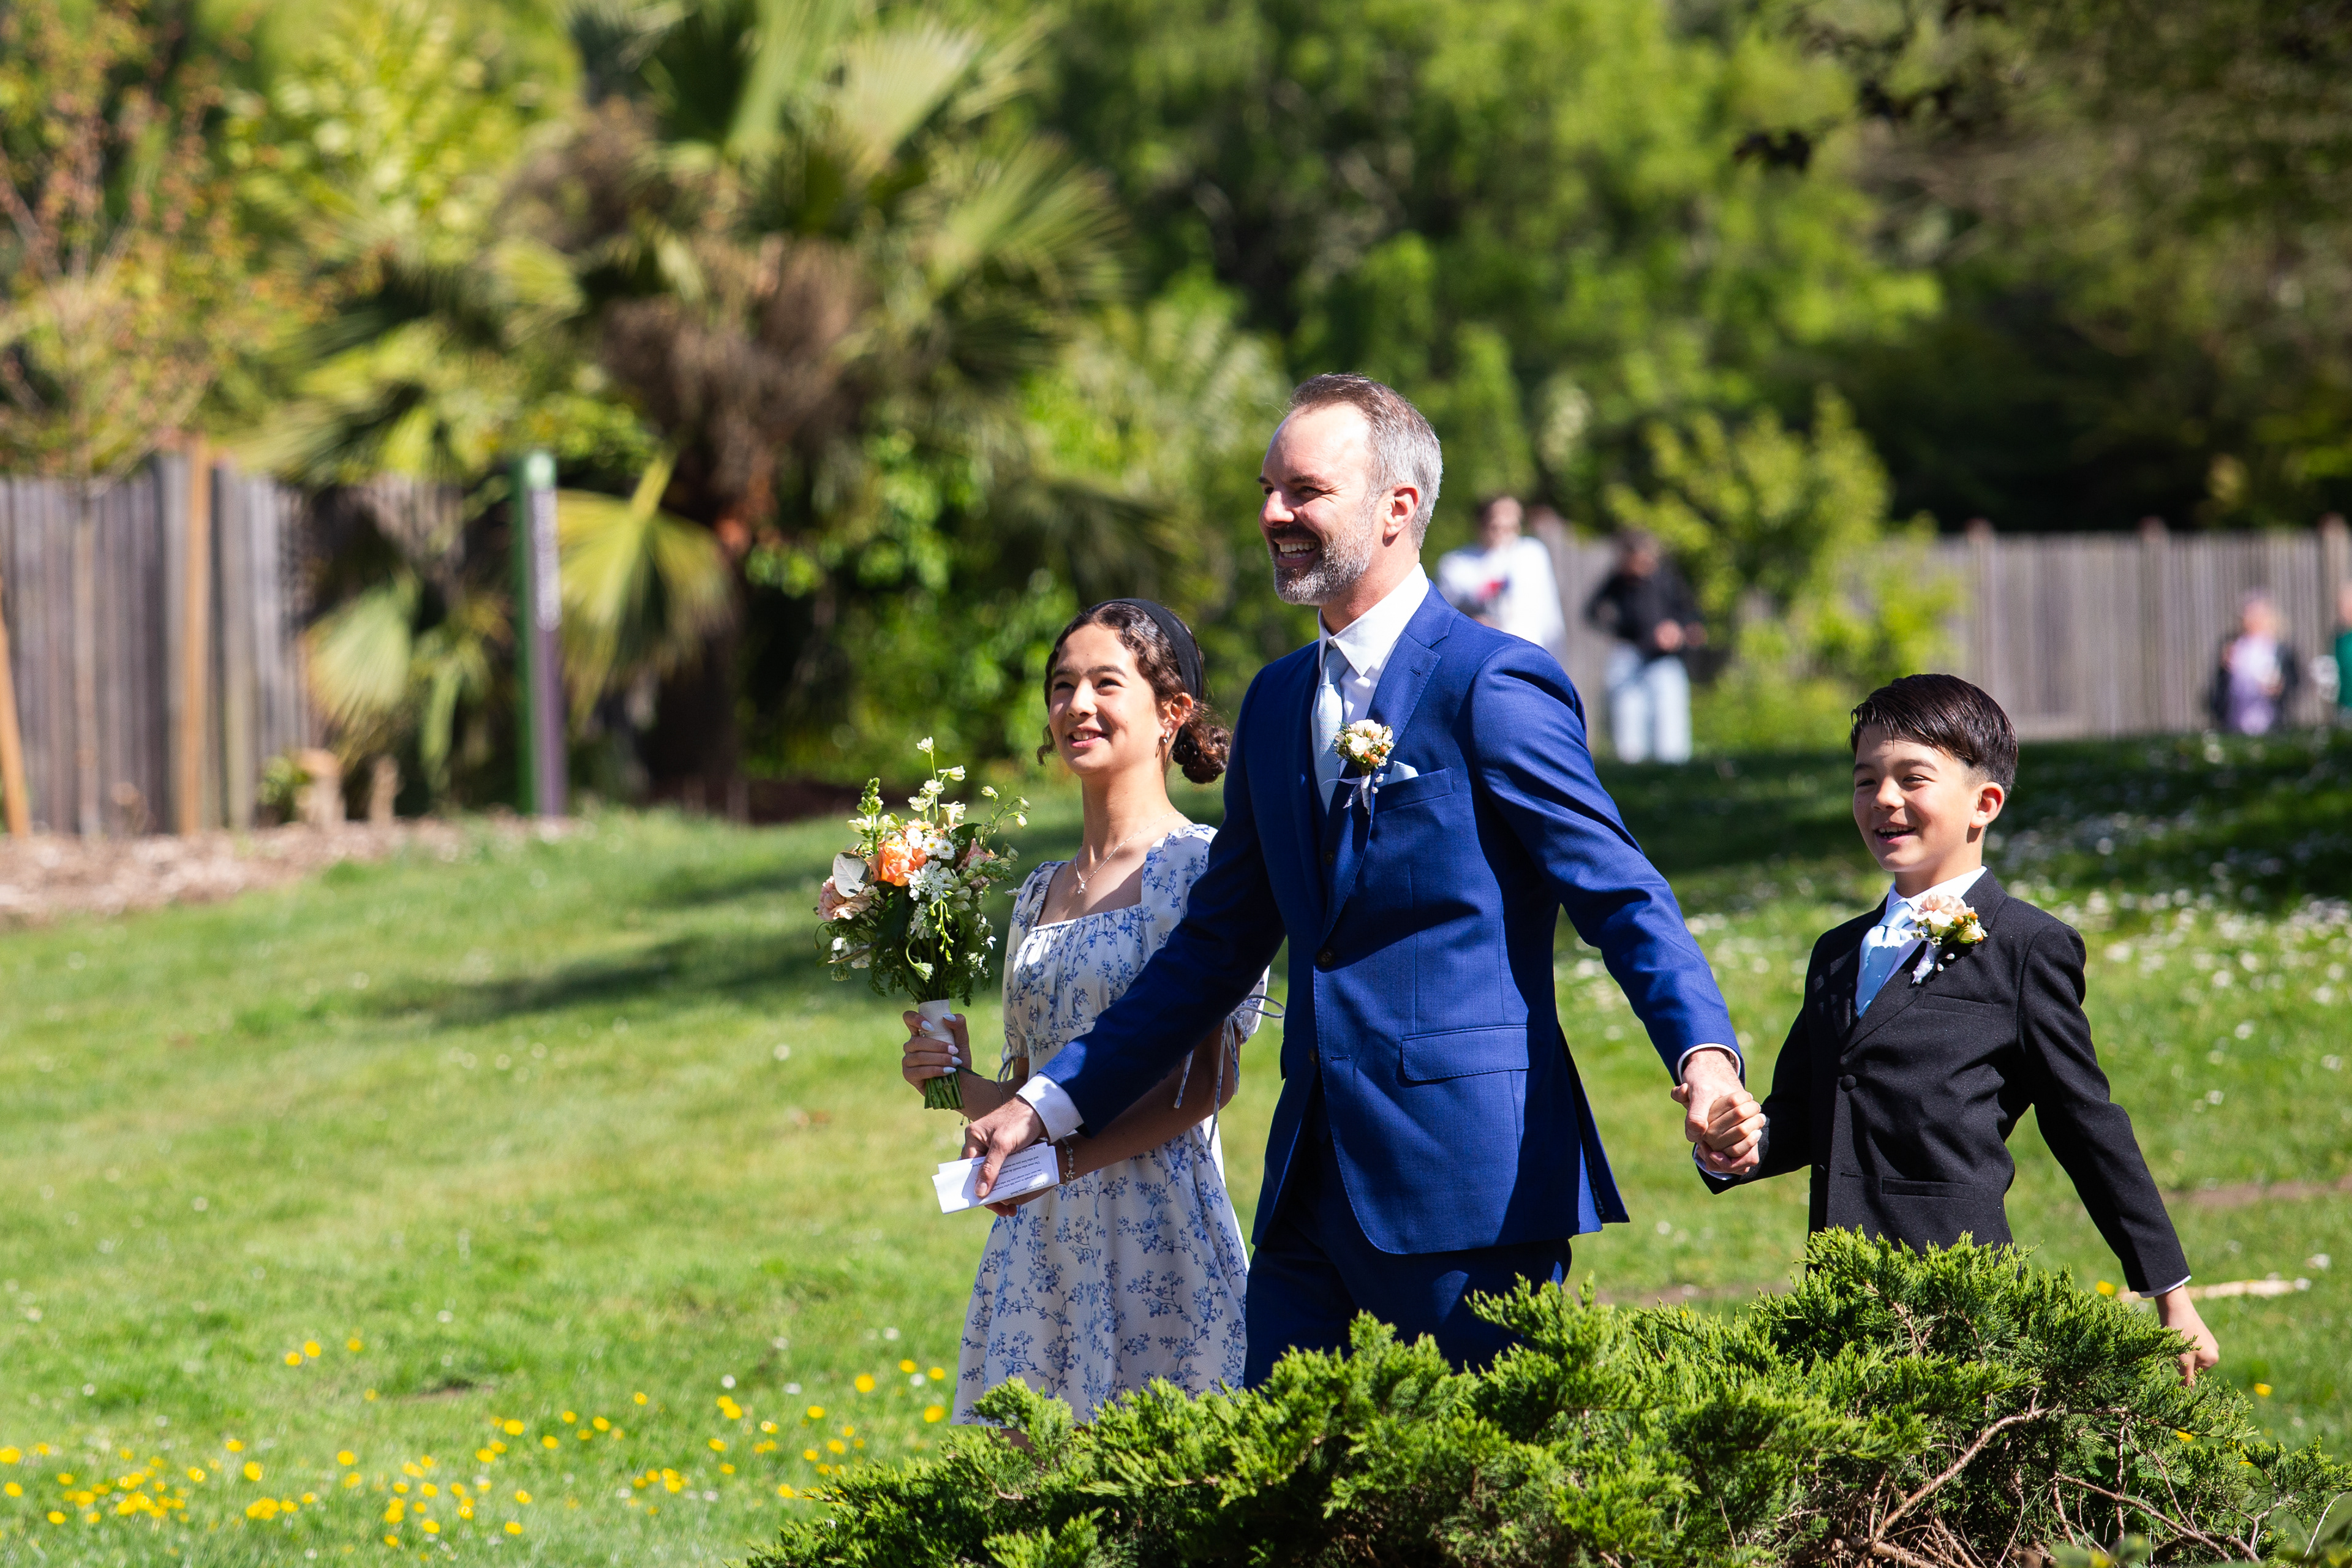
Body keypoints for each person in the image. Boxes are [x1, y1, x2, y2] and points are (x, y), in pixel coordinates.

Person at [962, 374, 1753, 1381]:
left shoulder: (1492, 683)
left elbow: (1622, 896)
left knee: (1473, 1506)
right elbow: (1211, 950)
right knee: (1291, 1499)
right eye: (1266, 489)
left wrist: (1706, 1058)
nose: (1272, 515)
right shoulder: (1280, 699)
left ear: (1399, 507)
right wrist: (1045, 1101)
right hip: (1308, 1194)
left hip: (1468, 1183)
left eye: (1304, 491)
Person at [1694, 674, 2221, 1384]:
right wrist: (1734, 1141)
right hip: (1838, 1307)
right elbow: (1806, 1110)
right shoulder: (1837, 952)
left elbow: (2087, 1126)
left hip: (1958, 1309)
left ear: (1985, 803)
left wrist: (2170, 1293)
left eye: (1912, 778)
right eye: (1865, 780)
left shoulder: (2027, 947)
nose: (1884, 799)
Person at [899, 599, 1267, 1422]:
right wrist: (953, 1083)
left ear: (1174, 713)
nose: (1078, 706)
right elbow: (1028, 1095)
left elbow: (1206, 1088)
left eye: (1106, 683)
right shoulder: (1038, 892)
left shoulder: (1203, 873)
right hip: (1042, 1237)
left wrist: (1057, 1163)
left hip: (1159, 1228)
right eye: (1063, 687)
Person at [1583, 530, 1703, 764]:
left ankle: (1672, 769)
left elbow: (1691, 614)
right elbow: (1592, 612)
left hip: (1664, 660)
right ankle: (1633, 768)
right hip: (1631, 657)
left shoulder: (1666, 580)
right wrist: (1621, 629)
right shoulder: (1618, 581)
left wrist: (1678, 631)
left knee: (1670, 725)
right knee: (1629, 723)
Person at [1434, 495, 1566, 659]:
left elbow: (1547, 615)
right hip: (1481, 656)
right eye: (1497, 526)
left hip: (1531, 653)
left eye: (1512, 526)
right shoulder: (1457, 565)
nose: (1505, 533)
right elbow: (1445, 615)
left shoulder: (1532, 554)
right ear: (1481, 524)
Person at [2207, 590, 2300, 736]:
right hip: (2235, 723)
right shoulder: (2233, 647)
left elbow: (2294, 682)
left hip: (2270, 722)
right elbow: (2217, 690)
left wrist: (2280, 688)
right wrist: (2224, 668)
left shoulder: (2280, 648)